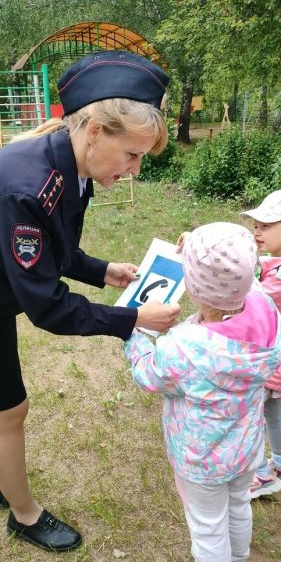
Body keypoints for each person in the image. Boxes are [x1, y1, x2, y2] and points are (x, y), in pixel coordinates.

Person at [0, 50, 181, 552]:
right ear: (96, 131)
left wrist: (101, 271)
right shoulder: (26, 186)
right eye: (132, 155)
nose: (134, 169)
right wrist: (131, 318)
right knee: (9, 411)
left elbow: (54, 248)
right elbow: (48, 307)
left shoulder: (71, 167)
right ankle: (24, 513)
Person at [124, 222, 281, 562]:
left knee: (208, 526)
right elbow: (240, 277)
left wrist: (132, 329)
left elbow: (147, 374)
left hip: (202, 460)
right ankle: (238, 556)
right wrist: (194, 245)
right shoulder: (266, 310)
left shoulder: (185, 348)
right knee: (238, 506)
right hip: (247, 447)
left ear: (192, 288)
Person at [241, 190, 281, 498]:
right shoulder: (274, 265)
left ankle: (271, 471)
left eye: (266, 226)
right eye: (256, 225)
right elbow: (262, 266)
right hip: (272, 362)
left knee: (264, 416)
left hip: (274, 367)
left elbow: (250, 294)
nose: (257, 230)